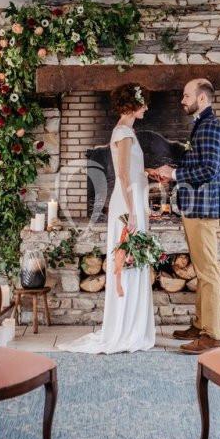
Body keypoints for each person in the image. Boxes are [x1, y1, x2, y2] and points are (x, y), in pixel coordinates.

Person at [58, 83, 155, 354]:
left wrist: (148, 176)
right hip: (126, 202)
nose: (147, 108)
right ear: (134, 105)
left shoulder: (127, 132)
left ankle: (133, 324)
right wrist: (133, 211)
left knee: (135, 260)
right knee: (129, 260)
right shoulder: (123, 133)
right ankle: (127, 328)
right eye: (144, 103)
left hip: (132, 198)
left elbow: (132, 171)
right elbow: (123, 174)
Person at [152, 78, 220, 354]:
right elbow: (197, 164)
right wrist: (170, 168)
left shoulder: (209, 126)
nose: (182, 100)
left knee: (208, 272)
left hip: (203, 208)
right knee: (201, 269)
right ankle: (201, 325)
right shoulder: (201, 125)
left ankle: (212, 335)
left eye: (186, 96)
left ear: (202, 99)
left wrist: (173, 174)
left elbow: (208, 171)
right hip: (196, 208)